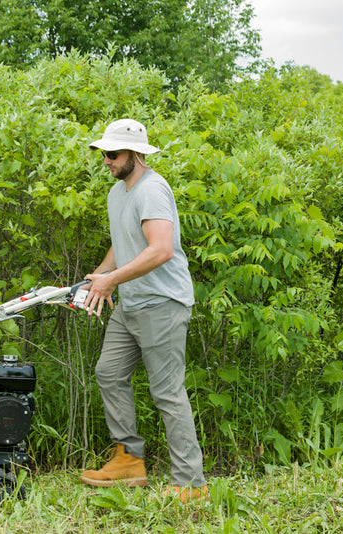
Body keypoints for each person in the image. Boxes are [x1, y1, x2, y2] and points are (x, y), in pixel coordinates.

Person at [78, 118, 209, 503]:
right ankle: (129, 461)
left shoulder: (152, 190)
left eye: (113, 154)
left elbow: (160, 249)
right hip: (131, 303)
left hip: (162, 304)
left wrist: (112, 280)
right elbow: (125, 243)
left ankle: (190, 483)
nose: (106, 161)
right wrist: (97, 277)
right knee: (109, 373)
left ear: (135, 153)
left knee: (167, 392)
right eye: (103, 153)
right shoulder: (118, 193)